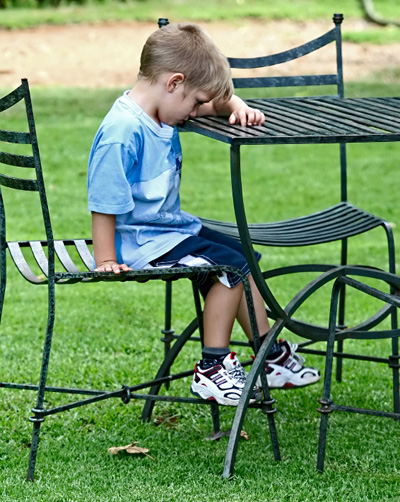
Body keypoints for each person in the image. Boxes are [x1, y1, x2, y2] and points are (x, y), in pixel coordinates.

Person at [87, 22, 320, 406]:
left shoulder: (161, 110)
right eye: (195, 103)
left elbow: (214, 101)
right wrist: (106, 259)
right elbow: (103, 200)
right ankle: (212, 367)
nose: (197, 112)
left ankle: (270, 356)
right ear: (173, 83)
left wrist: (236, 104)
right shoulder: (123, 131)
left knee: (242, 258)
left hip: (167, 232)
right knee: (229, 268)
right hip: (140, 244)